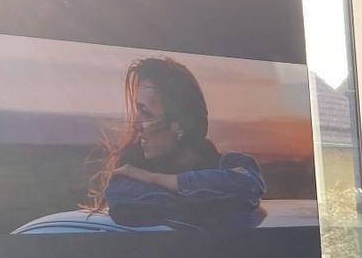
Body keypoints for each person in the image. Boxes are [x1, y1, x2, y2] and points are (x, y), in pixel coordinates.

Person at [86, 56, 265, 226]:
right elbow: (122, 198)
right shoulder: (127, 179)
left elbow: (249, 186)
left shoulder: (232, 163)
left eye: (146, 112)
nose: (136, 124)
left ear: (180, 125)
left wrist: (154, 179)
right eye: (137, 110)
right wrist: (217, 198)